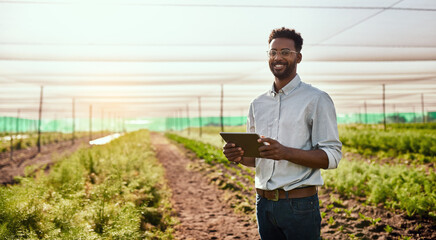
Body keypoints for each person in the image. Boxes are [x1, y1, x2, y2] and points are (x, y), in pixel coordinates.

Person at [222, 27, 342, 240]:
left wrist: (285, 152)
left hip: (299, 206)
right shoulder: (257, 103)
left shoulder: (316, 99)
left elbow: (331, 157)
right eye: (273, 52)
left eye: (285, 52)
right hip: (263, 204)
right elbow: (256, 159)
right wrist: (239, 156)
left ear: (299, 57)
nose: (278, 57)